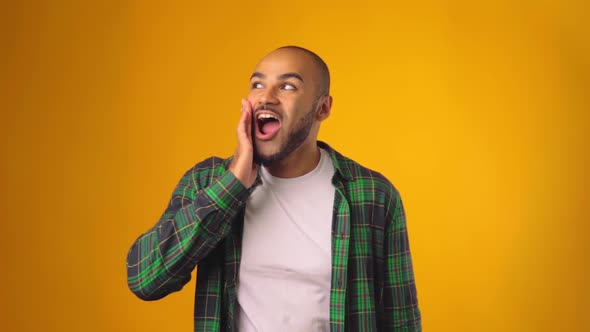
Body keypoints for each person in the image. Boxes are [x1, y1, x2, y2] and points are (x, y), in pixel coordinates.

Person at [126, 46, 421, 331]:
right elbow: (146, 279)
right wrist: (234, 184)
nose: (266, 97)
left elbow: (401, 320)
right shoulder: (208, 182)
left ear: (323, 108)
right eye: (257, 84)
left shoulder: (373, 196)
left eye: (288, 87)